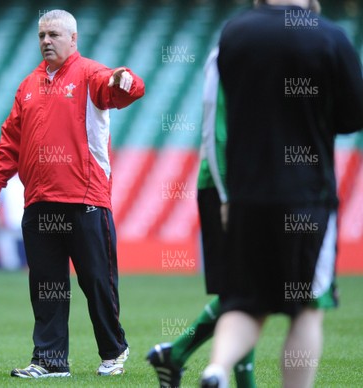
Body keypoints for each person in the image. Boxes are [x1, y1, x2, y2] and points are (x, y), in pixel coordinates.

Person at [201, 0, 363, 387]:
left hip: (245, 197)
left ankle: (217, 369)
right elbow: (354, 115)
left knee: (244, 302)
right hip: (306, 196)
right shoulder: (329, 36)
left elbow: (216, 111)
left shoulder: (234, 34)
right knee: (306, 308)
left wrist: (225, 195)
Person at [0, 9, 144, 378]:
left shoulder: (91, 75)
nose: (46, 41)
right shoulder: (28, 84)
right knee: (47, 286)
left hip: (85, 198)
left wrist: (125, 78)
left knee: (97, 281)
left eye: (53, 34)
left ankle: (114, 350)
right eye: (41, 35)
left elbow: (125, 87)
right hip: (39, 201)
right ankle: (50, 361)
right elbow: (11, 139)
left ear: (73, 39)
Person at [147, 47, 255, 388]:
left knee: (245, 291)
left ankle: (175, 354)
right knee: (243, 292)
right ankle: (183, 357)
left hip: (257, 187)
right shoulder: (231, 52)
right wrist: (227, 194)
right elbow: (215, 129)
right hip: (229, 187)